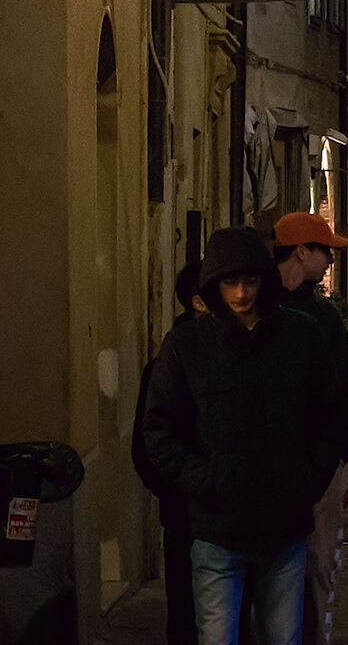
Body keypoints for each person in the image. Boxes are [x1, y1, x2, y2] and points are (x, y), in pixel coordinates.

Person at [141, 227, 348, 645]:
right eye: (230, 283)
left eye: (250, 281)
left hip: (284, 528)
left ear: (264, 280)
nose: (241, 293)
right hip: (216, 529)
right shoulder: (188, 344)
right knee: (218, 636)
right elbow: (159, 430)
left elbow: (332, 416)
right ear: (213, 285)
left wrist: (306, 480)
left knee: (282, 636)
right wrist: (205, 482)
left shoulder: (301, 336)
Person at [272, 210, 348, 645]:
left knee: (316, 565)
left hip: (318, 461)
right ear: (300, 252)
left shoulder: (320, 315)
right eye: (325, 250)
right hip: (280, 463)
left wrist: (335, 452)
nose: (331, 259)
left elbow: (346, 388)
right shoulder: (302, 314)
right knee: (295, 566)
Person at [132, 263, 212, 645]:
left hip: (235, 518)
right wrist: (183, 489)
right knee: (187, 616)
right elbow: (148, 446)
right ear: (199, 302)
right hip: (186, 518)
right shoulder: (168, 365)